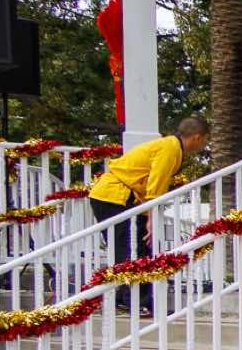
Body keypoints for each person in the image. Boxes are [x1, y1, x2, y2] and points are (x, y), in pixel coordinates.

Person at [88, 116, 210, 303]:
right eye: (206, 139)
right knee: (133, 248)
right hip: (114, 196)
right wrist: (151, 219)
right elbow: (155, 185)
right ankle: (135, 300)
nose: (206, 144)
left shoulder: (171, 146)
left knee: (136, 247)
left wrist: (148, 216)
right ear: (197, 137)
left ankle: (129, 298)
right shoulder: (170, 148)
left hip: (116, 196)